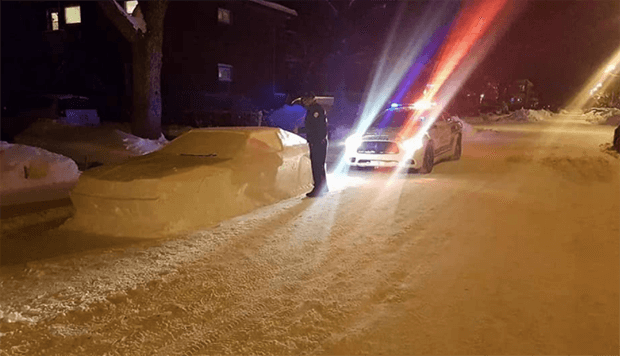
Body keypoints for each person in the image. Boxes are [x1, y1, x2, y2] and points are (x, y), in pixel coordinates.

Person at [297, 93, 329, 197]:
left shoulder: (315, 110)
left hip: (317, 141)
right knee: (320, 164)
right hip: (319, 140)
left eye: (305, 100)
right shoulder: (315, 109)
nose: (304, 102)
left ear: (311, 99)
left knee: (316, 165)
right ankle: (323, 187)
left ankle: (318, 189)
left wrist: (301, 130)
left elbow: (317, 127)